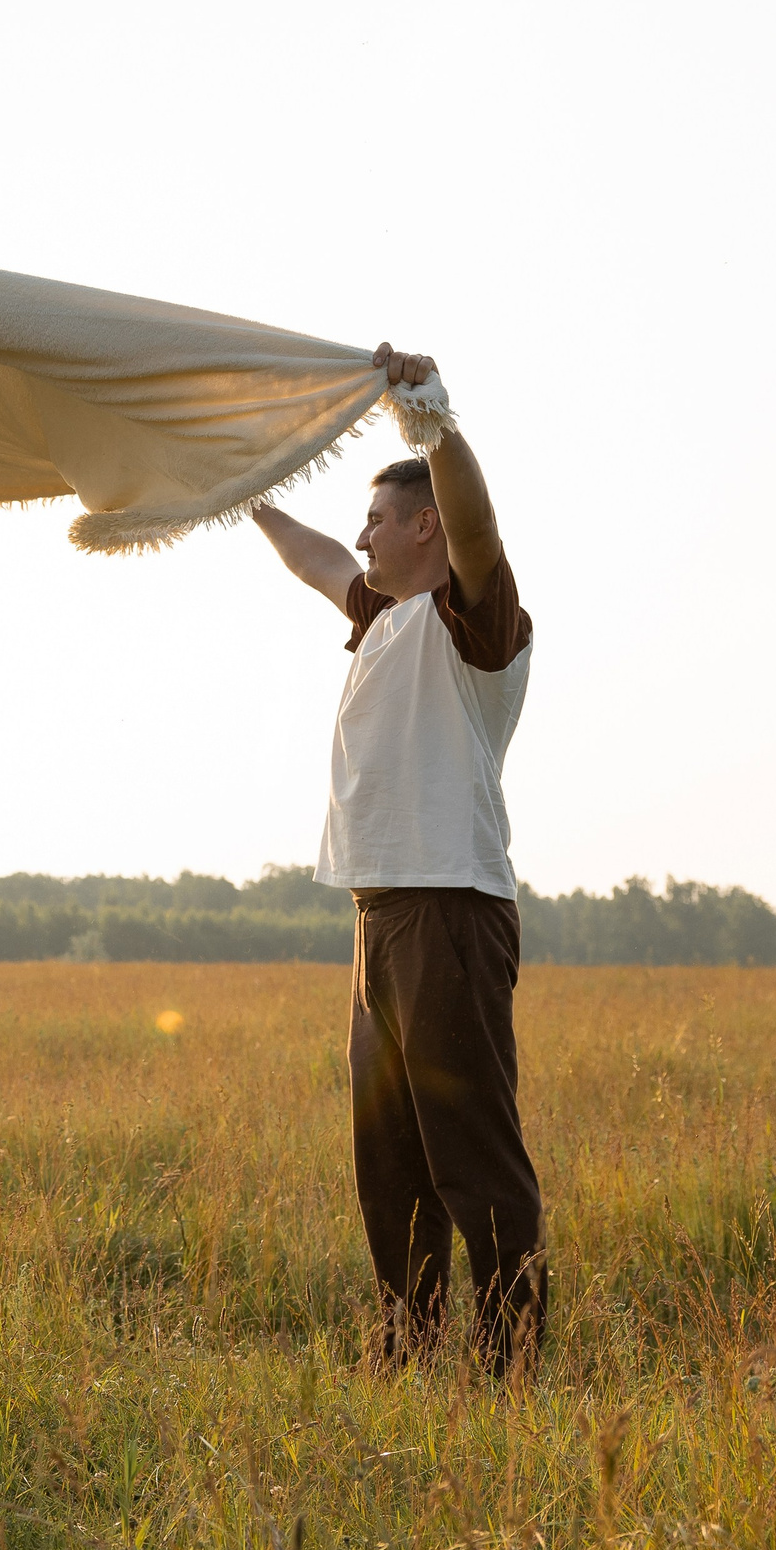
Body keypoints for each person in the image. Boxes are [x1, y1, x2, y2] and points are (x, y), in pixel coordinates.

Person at [249, 344, 546, 1376]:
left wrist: (429, 418)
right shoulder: (381, 618)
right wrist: (242, 492)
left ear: (424, 527)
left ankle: (510, 1368)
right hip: (378, 914)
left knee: (471, 1152)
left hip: (448, 909)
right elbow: (311, 557)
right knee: (390, 1162)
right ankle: (407, 1354)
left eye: (377, 516)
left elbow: (478, 527)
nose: (362, 533)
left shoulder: (476, 620)